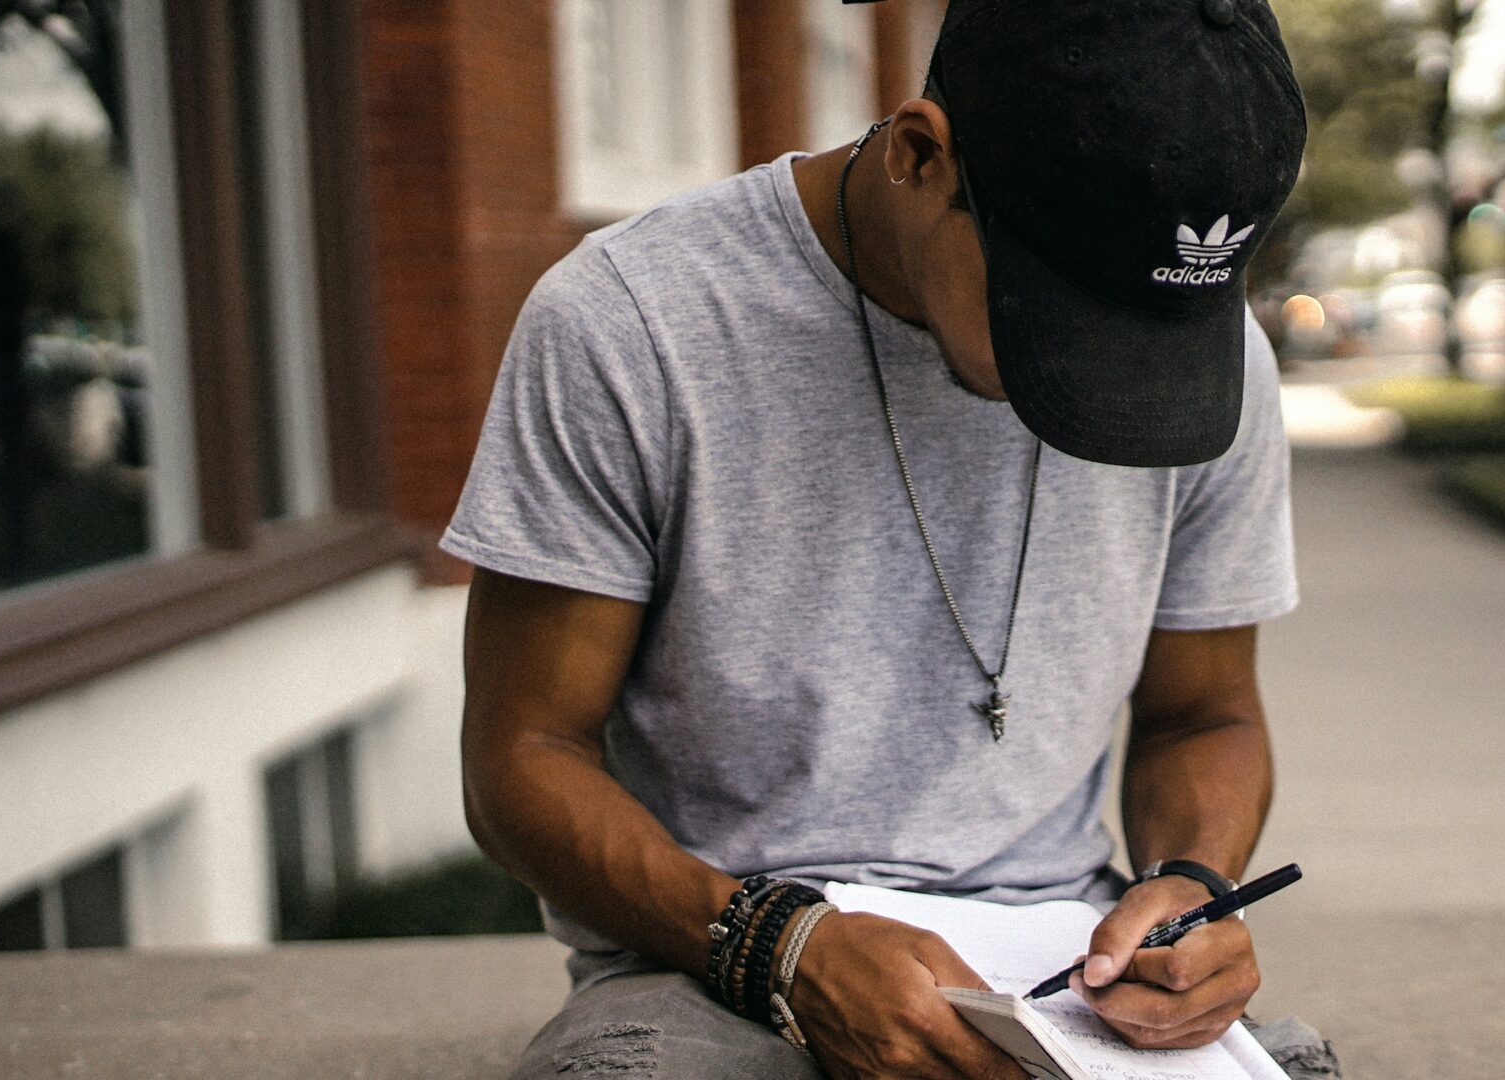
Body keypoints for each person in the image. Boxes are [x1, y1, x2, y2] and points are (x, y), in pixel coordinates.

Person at [443, 0, 1340, 1076]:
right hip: (712, 963)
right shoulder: (635, 321)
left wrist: (1194, 892)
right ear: (921, 155)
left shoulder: (1220, 365)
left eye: (1146, 335)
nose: (1104, 388)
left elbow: (1207, 713)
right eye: (1054, 319)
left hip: (1061, 975)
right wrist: (780, 944)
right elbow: (522, 756)